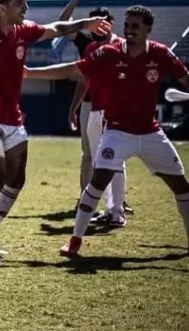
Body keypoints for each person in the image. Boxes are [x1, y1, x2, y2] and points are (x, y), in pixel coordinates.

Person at [24, 5, 189, 257]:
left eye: (136, 26)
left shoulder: (161, 54)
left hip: (151, 133)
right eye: (127, 25)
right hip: (116, 133)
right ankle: (75, 241)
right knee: (97, 183)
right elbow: (73, 70)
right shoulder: (108, 53)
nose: (130, 30)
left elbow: (188, 80)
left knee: (181, 185)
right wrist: (29, 72)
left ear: (148, 30)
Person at [0, 0, 109, 258]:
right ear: (2, 8)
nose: (26, 8)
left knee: (16, 180)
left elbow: (56, 29)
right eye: (19, 3)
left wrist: (86, 23)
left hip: (12, 117)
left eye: (25, 2)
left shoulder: (24, 31)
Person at [74, 23, 129, 227]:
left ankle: (118, 210)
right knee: (100, 161)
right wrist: (75, 107)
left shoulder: (121, 46)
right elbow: (84, 79)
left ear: (110, 25)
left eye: (102, 23)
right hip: (95, 110)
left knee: (115, 159)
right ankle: (108, 208)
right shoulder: (91, 48)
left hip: (114, 111)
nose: (97, 28)